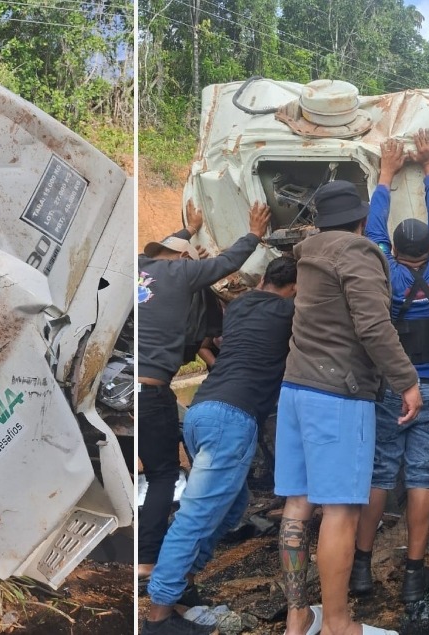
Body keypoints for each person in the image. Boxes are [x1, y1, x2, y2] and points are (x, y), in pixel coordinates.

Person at [276, 179, 420, 635]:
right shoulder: (358, 252)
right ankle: (339, 624)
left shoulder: (309, 256)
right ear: (360, 221)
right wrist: (408, 382)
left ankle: (298, 617)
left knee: (298, 504)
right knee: (340, 510)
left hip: (296, 389)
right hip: (338, 395)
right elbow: (374, 326)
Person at [142, 256, 297, 635]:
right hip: (232, 419)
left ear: (263, 278)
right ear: (295, 288)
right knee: (195, 517)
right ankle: (158, 617)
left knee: (234, 504)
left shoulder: (242, 304)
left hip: (201, 412)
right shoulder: (290, 312)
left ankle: (185, 585)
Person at [137, 201, 270, 583]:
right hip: (150, 392)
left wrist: (189, 230)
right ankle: (147, 560)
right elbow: (225, 264)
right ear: (183, 262)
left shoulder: (140, 271)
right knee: (163, 475)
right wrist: (255, 234)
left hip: (119, 390)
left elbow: (170, 249)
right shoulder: (182, 274)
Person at [353, 130, 429, 603]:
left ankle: (360, 566)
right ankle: (414, 571)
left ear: (392, 248)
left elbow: (373, 225)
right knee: (422, 476)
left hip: (392, 387)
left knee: (379, 473)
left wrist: (386, 173)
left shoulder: (381, 268)